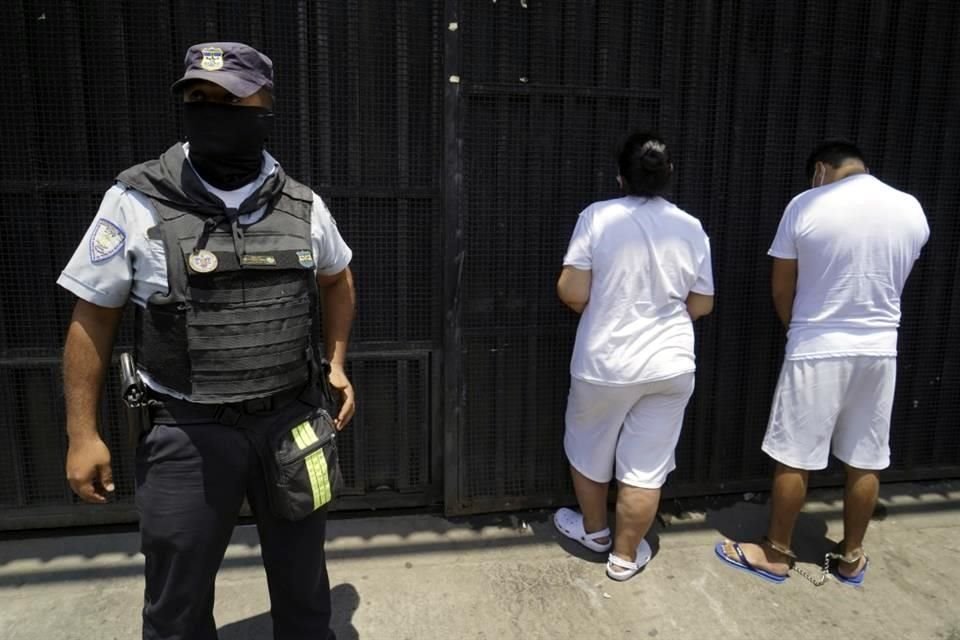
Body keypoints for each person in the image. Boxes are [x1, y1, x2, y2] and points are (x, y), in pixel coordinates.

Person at [60, 42, 355, 639]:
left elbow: (338, 278)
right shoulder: (135, 200)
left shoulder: (302, 203)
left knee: (304, 584)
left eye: (232, 99)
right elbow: (92, 318)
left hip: (293, 424)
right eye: (199, 98)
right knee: (177, 601)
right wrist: (82, 433)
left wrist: (339, 362)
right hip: (186, 431)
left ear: (266, 105)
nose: (213, 109)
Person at [716, 139, 929, 586]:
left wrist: (800, 328)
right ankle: (851, 557)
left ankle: (775, 553)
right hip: (879, 348)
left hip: (816, 344)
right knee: (866, 457)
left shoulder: (806, 204)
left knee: (795, 455)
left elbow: (781, 288)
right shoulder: (910, 208)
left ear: (820, 170)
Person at [553, 132, 715, 581]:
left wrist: (602, 303)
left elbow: (572, 291)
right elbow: (702, 304)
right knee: (647, 464)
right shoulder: (691, 226)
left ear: (620, 176)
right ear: (669, 175)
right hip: (671, 363)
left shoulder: (598, 217)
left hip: (605, 361)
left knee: (588, 447)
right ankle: (625, 558)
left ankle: (595, 533)